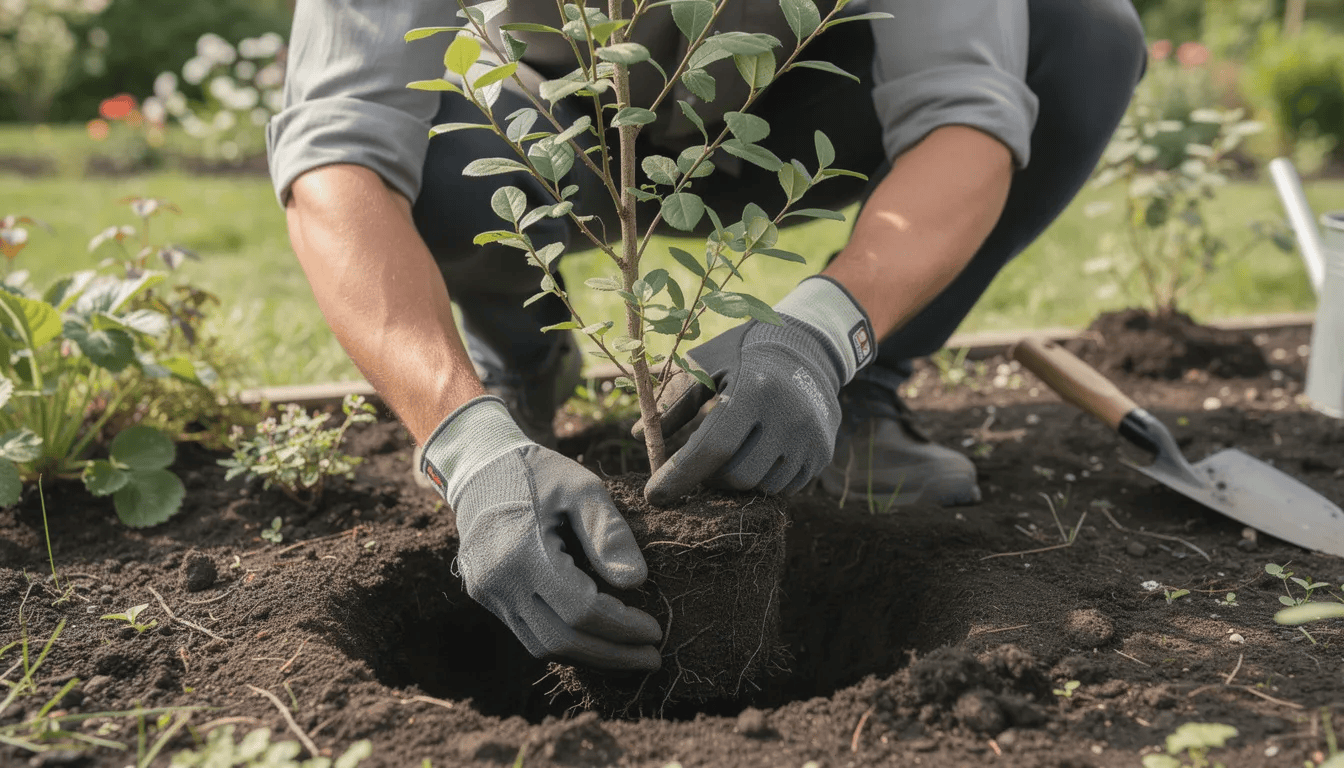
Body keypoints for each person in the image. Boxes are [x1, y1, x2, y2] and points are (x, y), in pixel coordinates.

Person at [268, 0, 1145, 672]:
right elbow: (337, 156)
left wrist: (821, 338)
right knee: (432, 139)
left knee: (1081, 35)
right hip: (547, 125)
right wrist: (466, 443)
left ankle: (859, 392)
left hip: (799, 102)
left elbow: (966, 113)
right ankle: (510, 372)